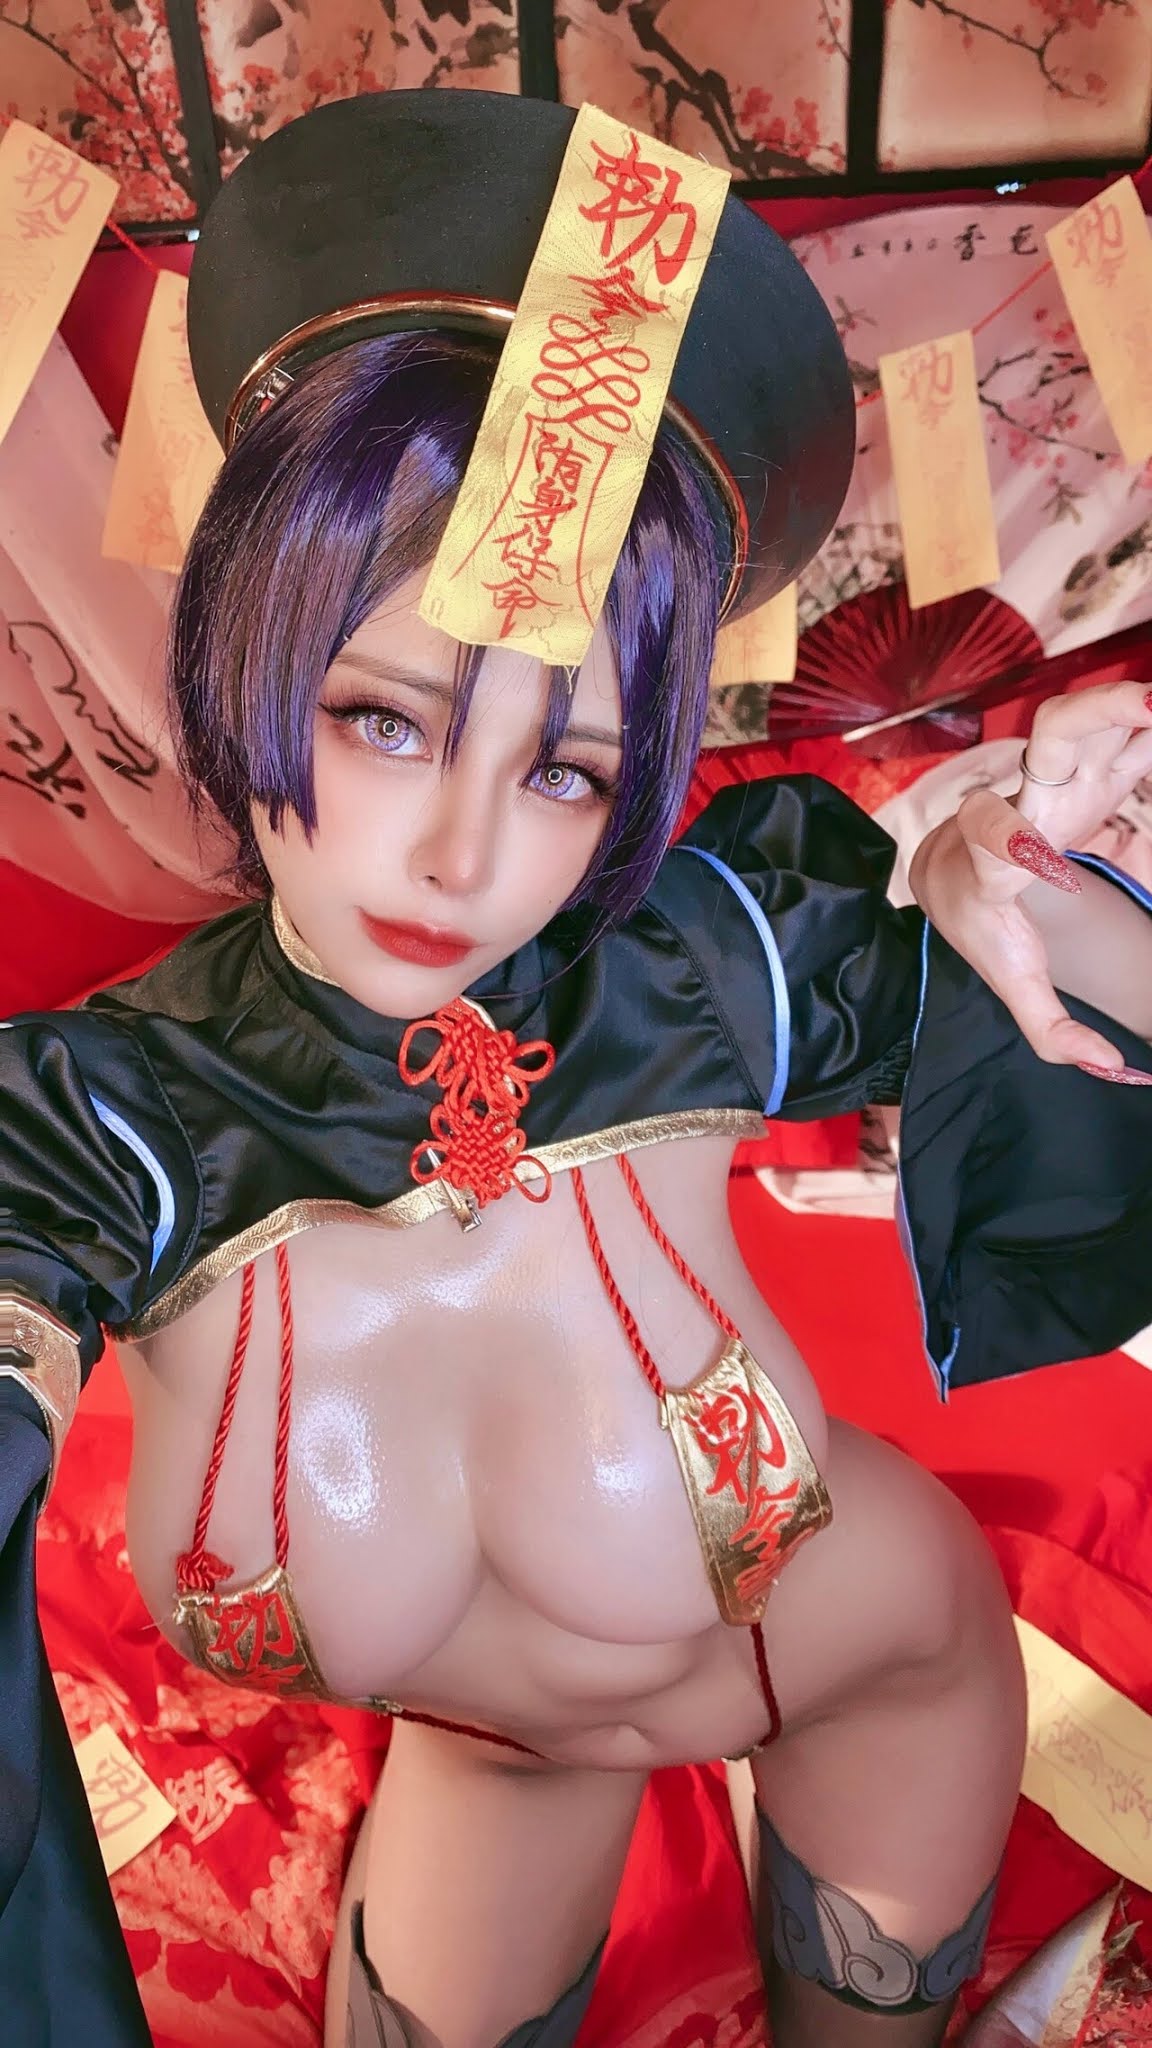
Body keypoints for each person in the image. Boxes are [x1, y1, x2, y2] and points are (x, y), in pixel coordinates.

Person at [2, 91, 1152, 2048]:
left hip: (868, 1668)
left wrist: (1053, 865)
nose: (462, 856)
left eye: (562, 769)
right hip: (497, 1760)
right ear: (247, 662)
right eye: (383, 721)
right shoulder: (98, 1124)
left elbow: (1093, 1019)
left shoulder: (700, 960)